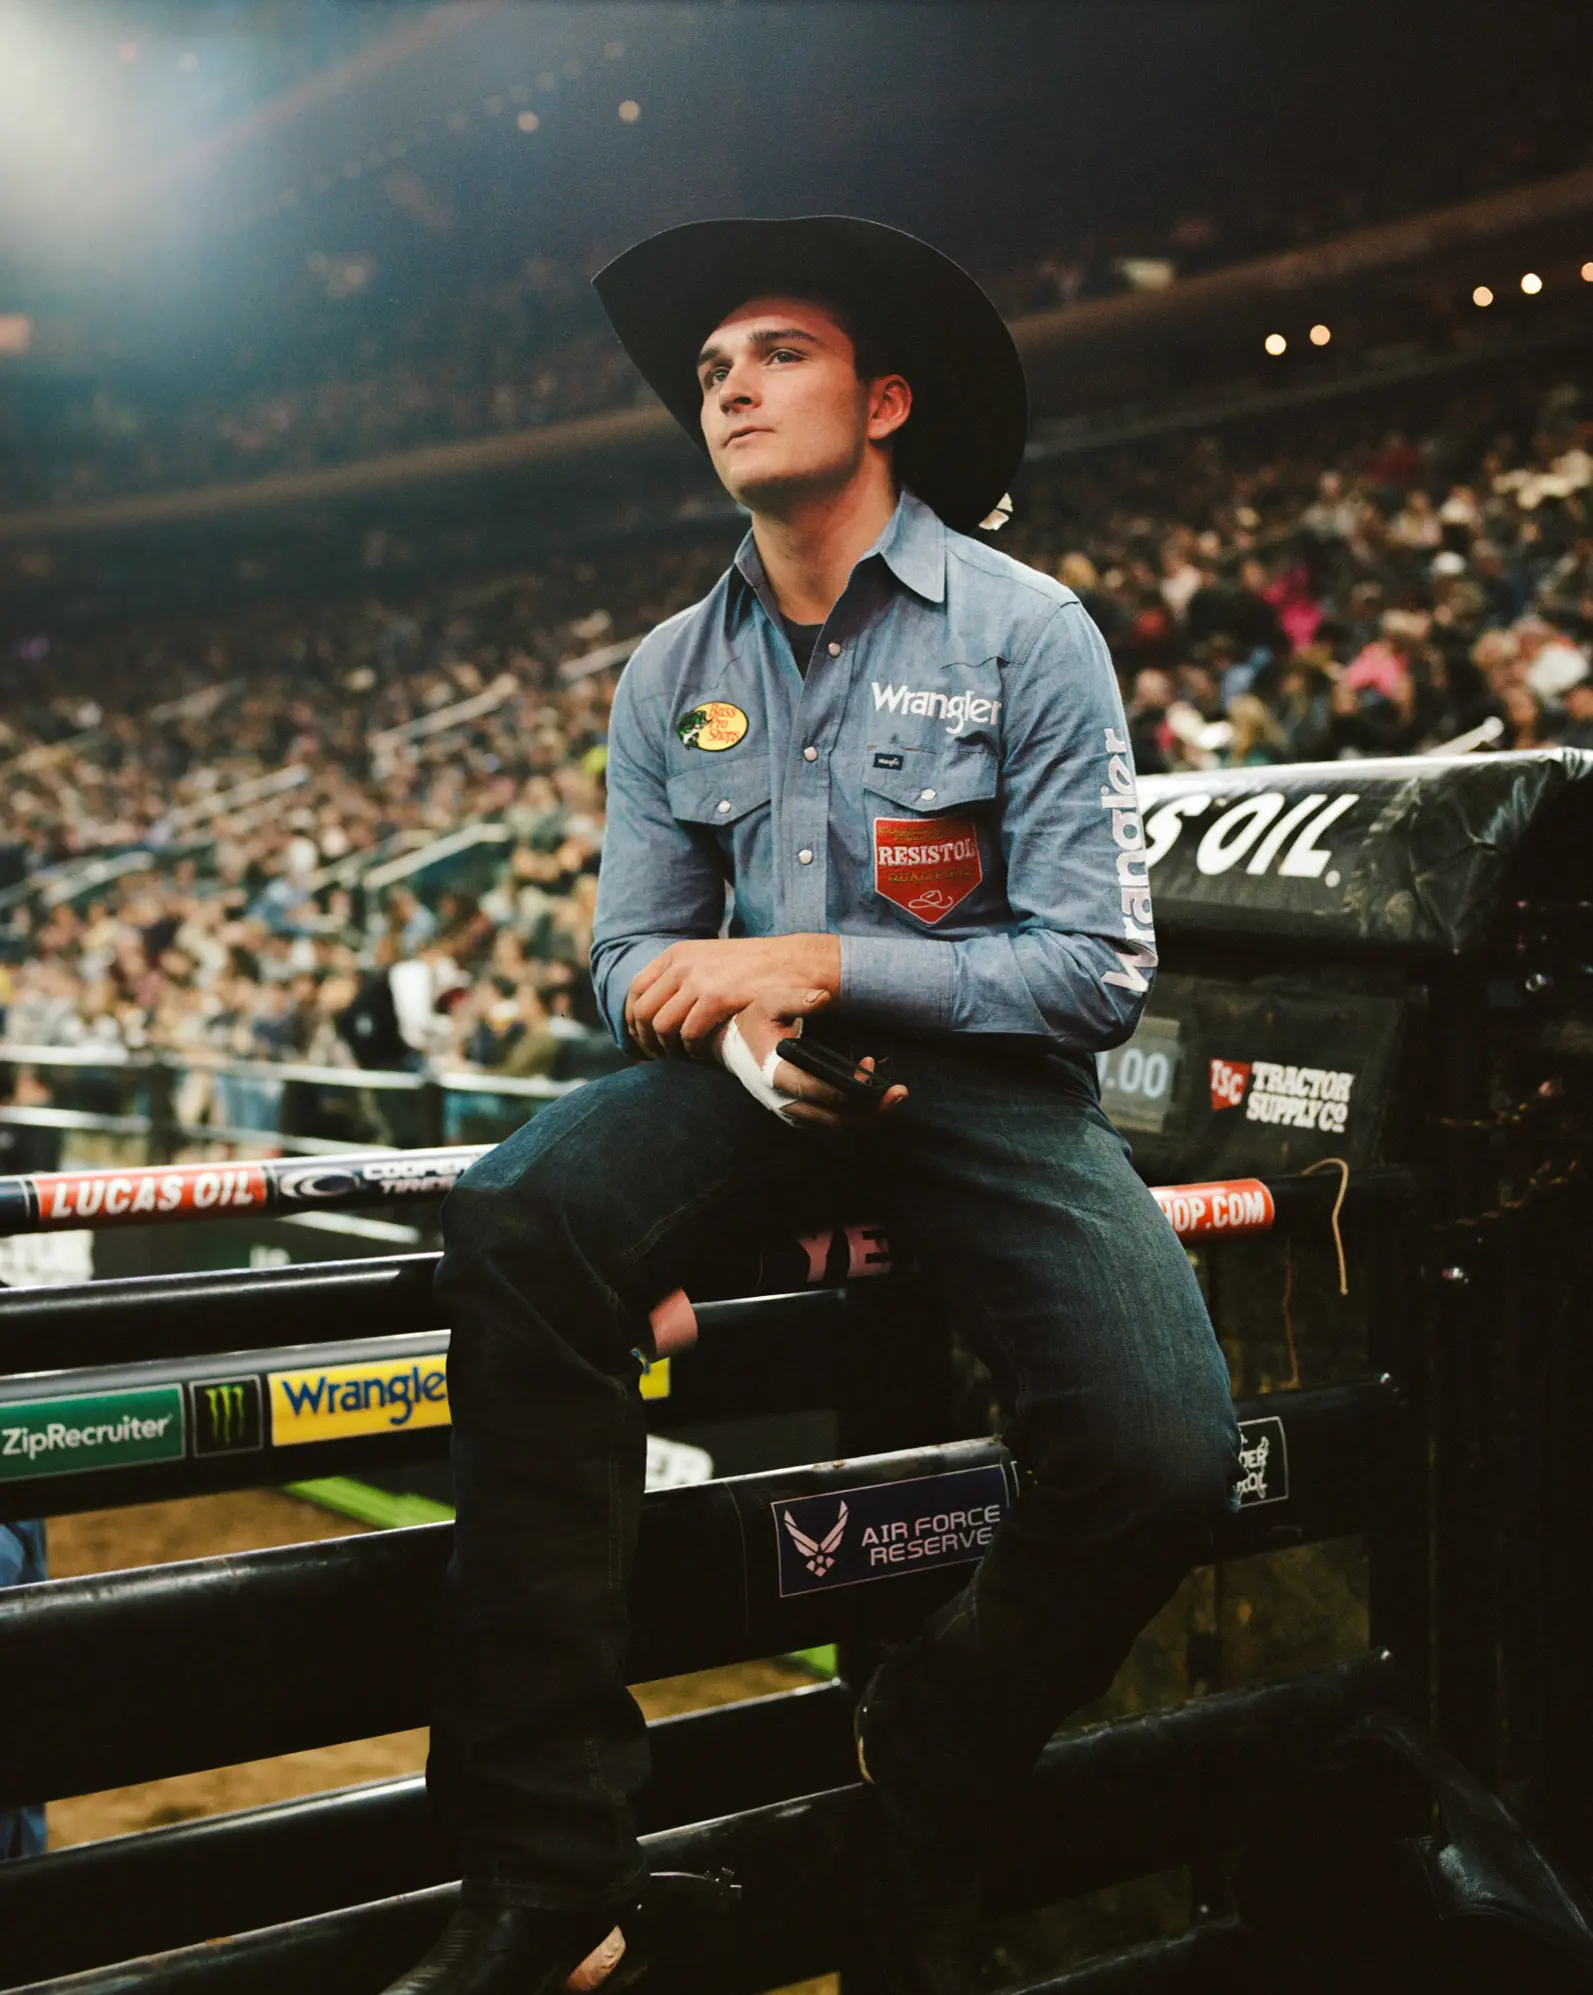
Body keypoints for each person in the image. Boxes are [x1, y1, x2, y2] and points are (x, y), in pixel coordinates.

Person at [382, 216, 1238, 1995]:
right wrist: (736, 1037)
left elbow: (1095, 970)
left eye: (777, 353)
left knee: (1164, 1454)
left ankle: (932, 1740)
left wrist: (824, 963)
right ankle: (548, 1865)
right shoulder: (664, 671)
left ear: (886, 399)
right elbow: (629, 959)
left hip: (993, 1093)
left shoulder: (1030, 630)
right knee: (521, 1213)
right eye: (712, 371)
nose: (731, 388)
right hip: (750, 1093)